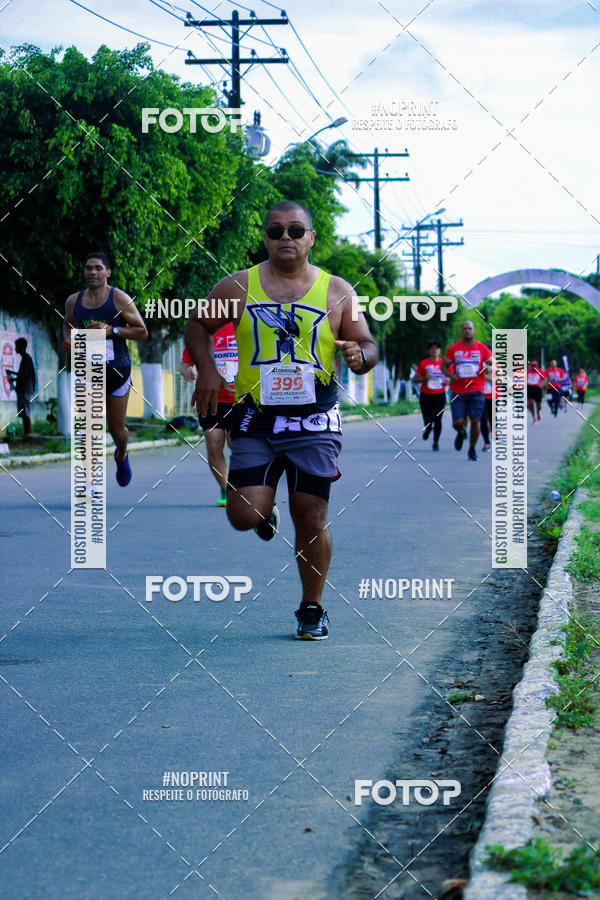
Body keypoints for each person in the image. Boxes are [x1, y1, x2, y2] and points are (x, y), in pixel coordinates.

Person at [185, 200, 378, 640]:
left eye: (295, 230)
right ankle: (263, 509)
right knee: (241, 515)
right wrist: (210, 370)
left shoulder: (336, 291)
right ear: (265, 238)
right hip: (256, 415)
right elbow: (197, 326)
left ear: (311, 238)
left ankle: (312, 608)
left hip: (314, 420)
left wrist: (359, 355)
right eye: (275, 231)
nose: (285, 238)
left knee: (310, 514)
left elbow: (367, 343)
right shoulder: (237, 287)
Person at [63, 252, 148, 486]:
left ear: (108, 272)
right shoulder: (74, 301)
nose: (93, 272)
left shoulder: (119, 299)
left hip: (117, 371)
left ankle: (121, 453)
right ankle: (88, 484)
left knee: (116, 429)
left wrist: (113, 330)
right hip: (87, 371)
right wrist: (69, 340)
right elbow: (68, 326)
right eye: (89, 268)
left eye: (99, 268)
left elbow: (142, 331)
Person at [180, 322, 237, 507]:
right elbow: (185, 363)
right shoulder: (202, 330)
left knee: (235, 443)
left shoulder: (243, 322)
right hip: (210, 397)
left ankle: (240, 487)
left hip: (240, 397)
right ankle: (226, 489)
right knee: (213, 445)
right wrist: (187, 370)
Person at [441, 321, 492, 462]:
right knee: (458, 422)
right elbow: (444, 367)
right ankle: (461, 431)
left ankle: (472, 449)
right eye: (464, 329)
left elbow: (492, 363)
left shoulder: (482, 348)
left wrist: (487, 368)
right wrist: (451, 376)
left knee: (476, 421)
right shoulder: (454, 349)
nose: (467, 331)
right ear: (461, 331)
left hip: (477, 390)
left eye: (470, 328)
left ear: (474, 330)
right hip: (458, 391)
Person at [413, 341, 448, 451]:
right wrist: (424, 378)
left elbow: (452, 377)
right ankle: (428, 429)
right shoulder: (424, 363)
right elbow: (415, 379)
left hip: (439, 395)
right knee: (427, 419)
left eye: (437, 348)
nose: (434, 350)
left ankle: (436, 442)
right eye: (432, 348)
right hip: (426, 396)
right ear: (429, 351)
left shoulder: (444, 364)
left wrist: (449, 380)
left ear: (440, 351)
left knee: (438, 419)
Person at [6, 337, 36, 437]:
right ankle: (27, 434)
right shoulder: (25, 358)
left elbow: (24, 374)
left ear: (22, 346)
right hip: (24, 389)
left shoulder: (26, 358)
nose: (15, 348)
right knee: (24, 413)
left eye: (17, 346)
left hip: (25, 390)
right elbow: (22, 373)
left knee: (25, 412)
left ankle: (28, 435)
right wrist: (13, 374)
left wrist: (14, 379)